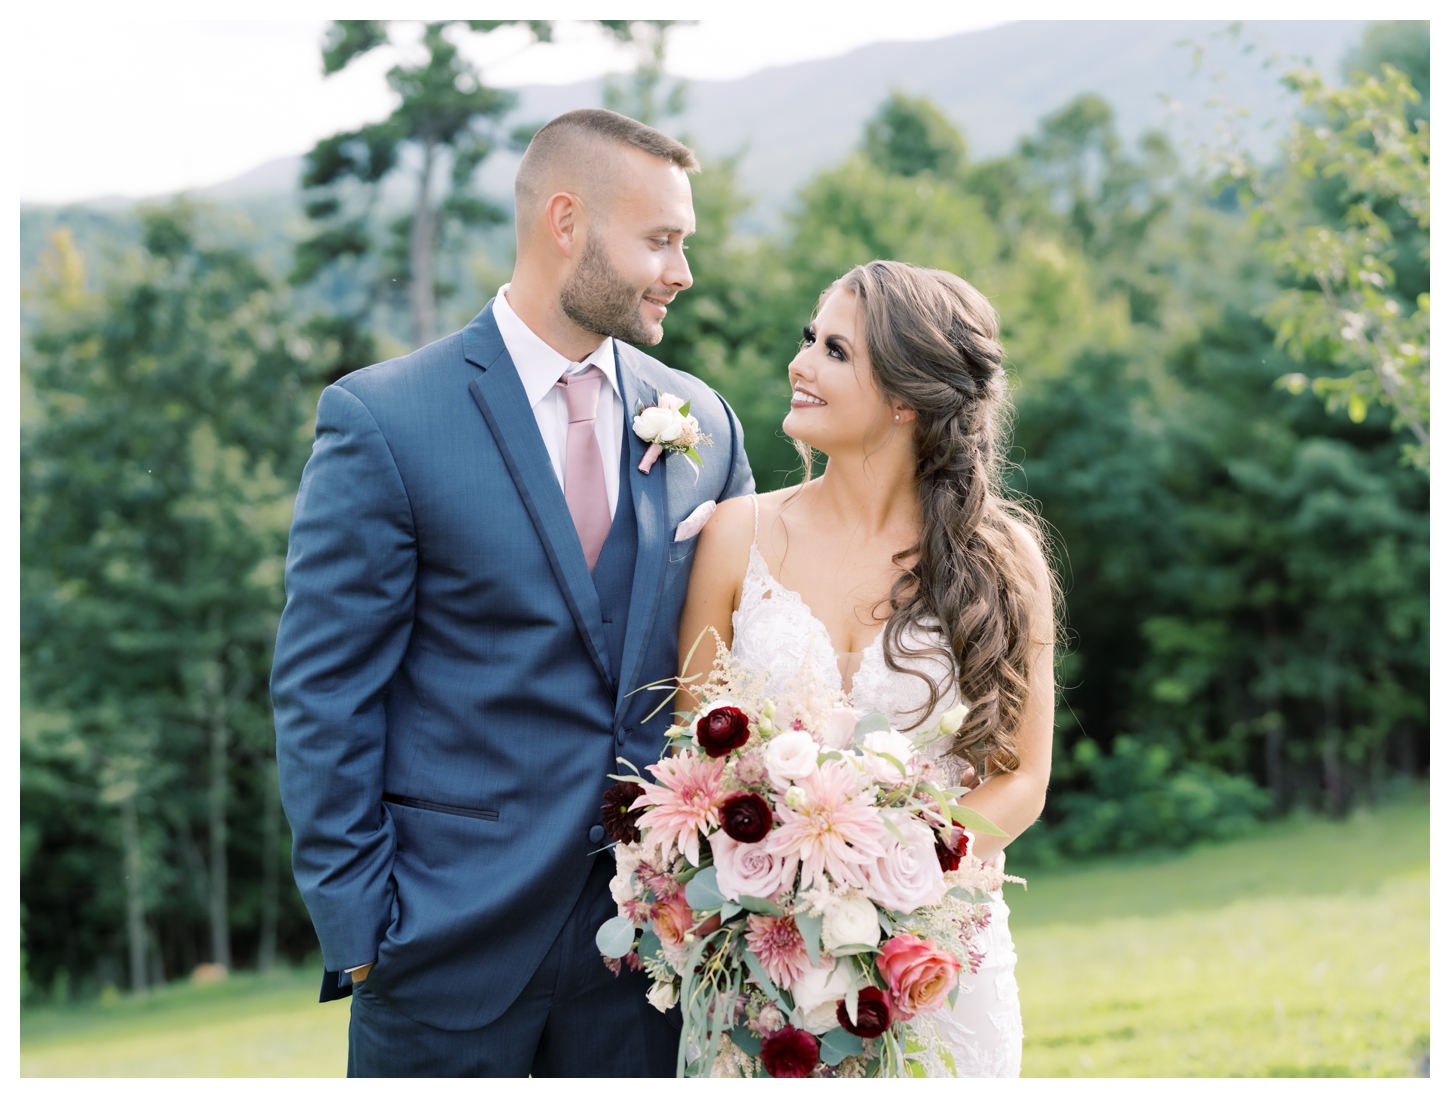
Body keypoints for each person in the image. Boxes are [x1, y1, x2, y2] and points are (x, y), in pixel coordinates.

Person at [271, 109, 754, 1077]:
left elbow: (743, 673)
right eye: (659, 240)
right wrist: (362, 929)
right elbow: (324, 695)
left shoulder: (702, 419)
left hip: (647, 962)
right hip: (442, 952)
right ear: (565, 222)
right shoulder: (385, 420)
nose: (681, 272)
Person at [678, 259, 1055, 1078]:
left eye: (835, 351)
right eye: (809, 339)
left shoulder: (1004, 558)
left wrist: (898, 876)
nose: (800, 363)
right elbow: (693, 757)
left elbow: (1022, 775)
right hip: (762, 957)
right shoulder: (735, 534)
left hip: (939, 960)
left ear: (905, 398)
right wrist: (786, 886)